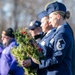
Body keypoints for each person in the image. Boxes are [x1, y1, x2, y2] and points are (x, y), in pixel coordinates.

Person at [42, 1, 74, 75]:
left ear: (58, 16)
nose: (49, 21)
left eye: (50, 17)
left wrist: (39, 63)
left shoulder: (62, 33)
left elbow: (56, 59)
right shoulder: (60, 31)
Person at [22, 10, 56, 75]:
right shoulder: (45, 36)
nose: (30, 31)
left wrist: (32, 62)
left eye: (32, 29)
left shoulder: (51, 36)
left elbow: (49, 57)